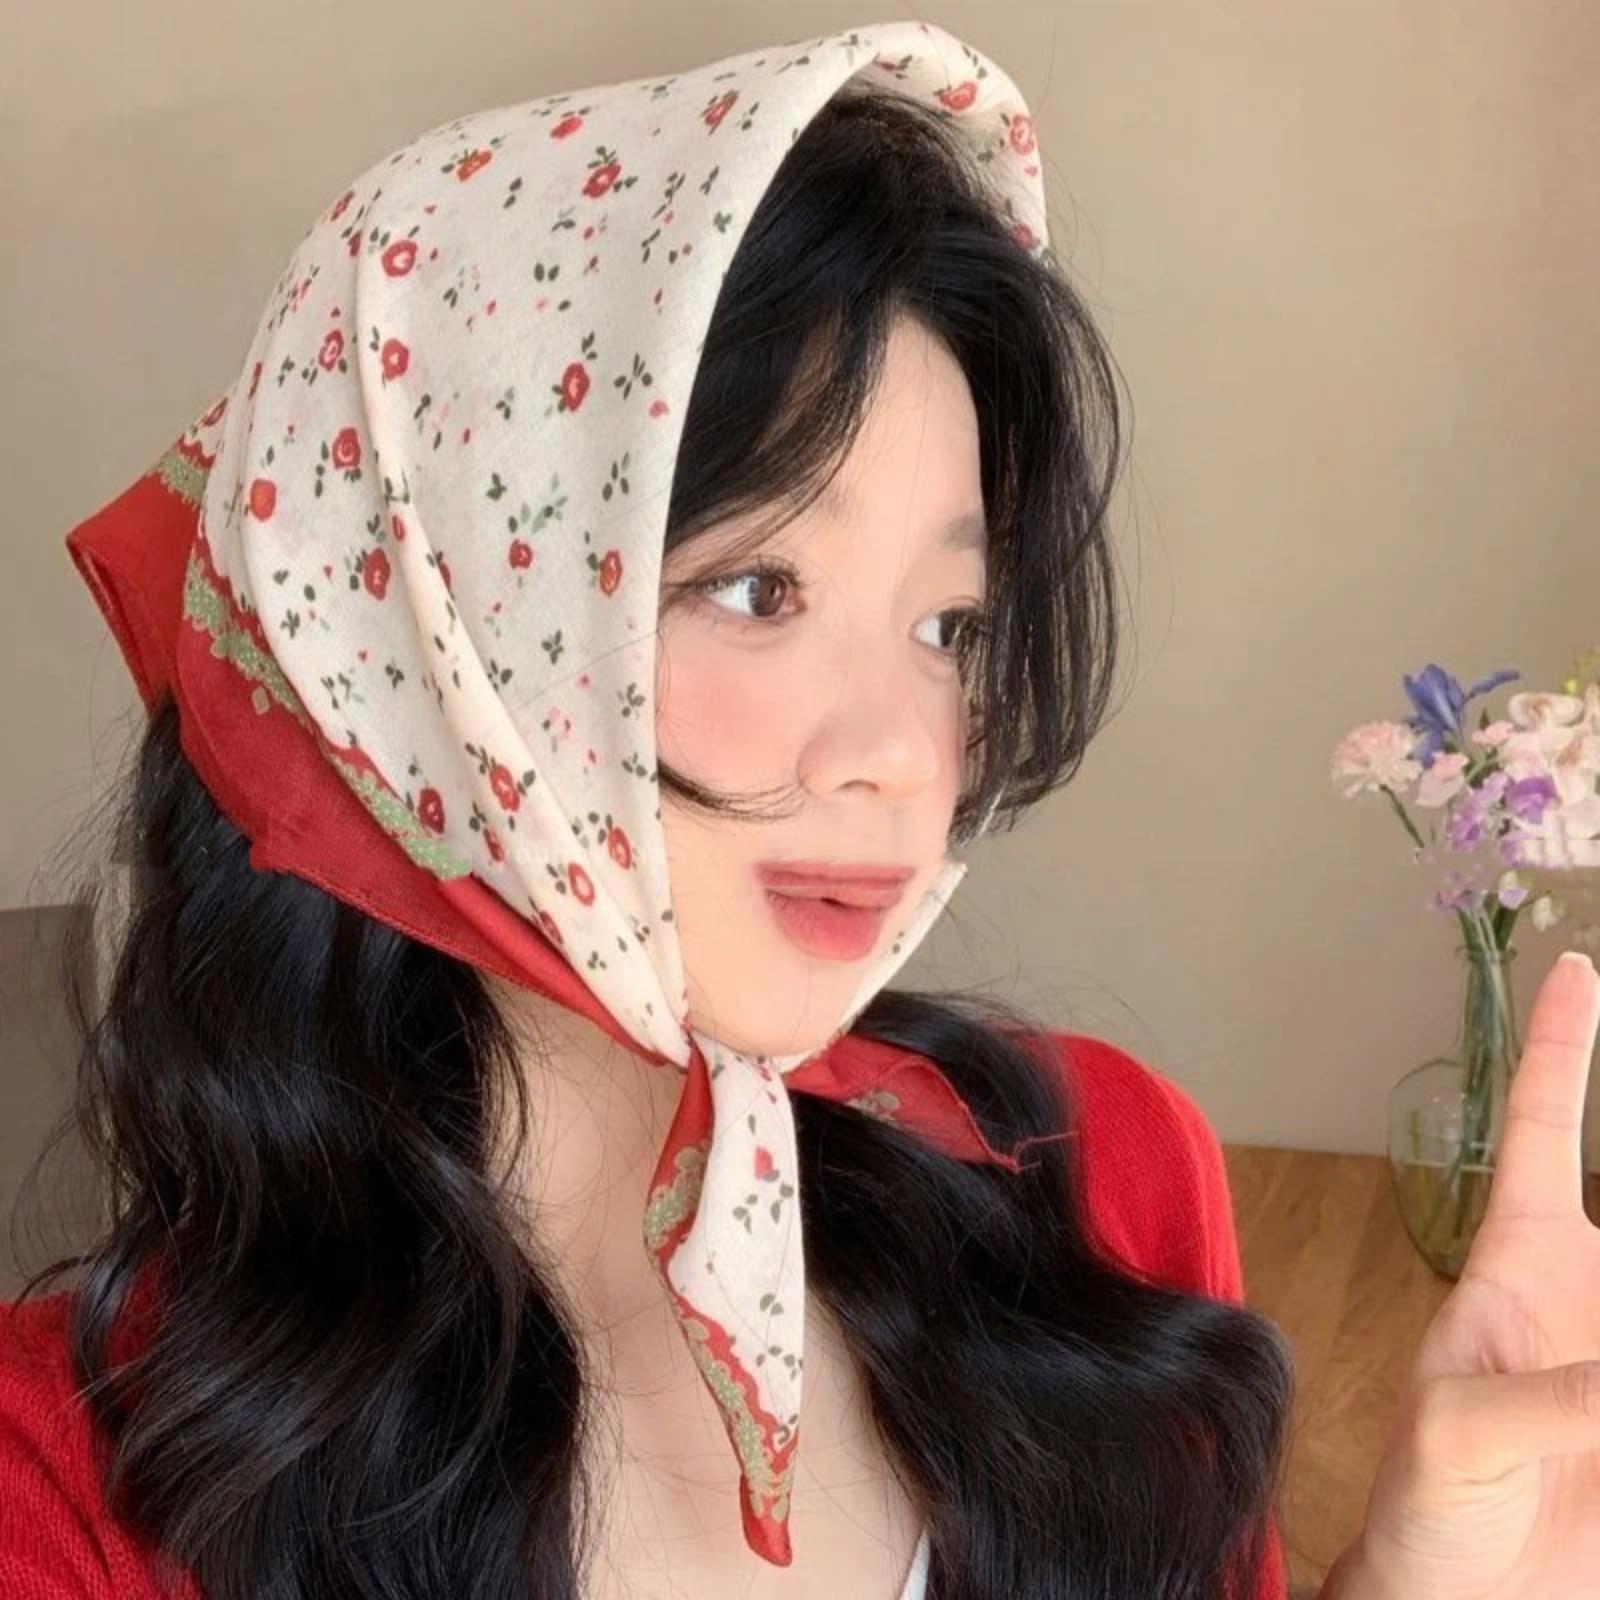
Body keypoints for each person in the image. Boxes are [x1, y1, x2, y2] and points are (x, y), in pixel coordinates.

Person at [4, 19, 1599, 1600]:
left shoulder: (1100, 1179)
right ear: (427, 633)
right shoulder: (67, 1484)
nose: (907, 752)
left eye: (950, 625)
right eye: (761, 589)